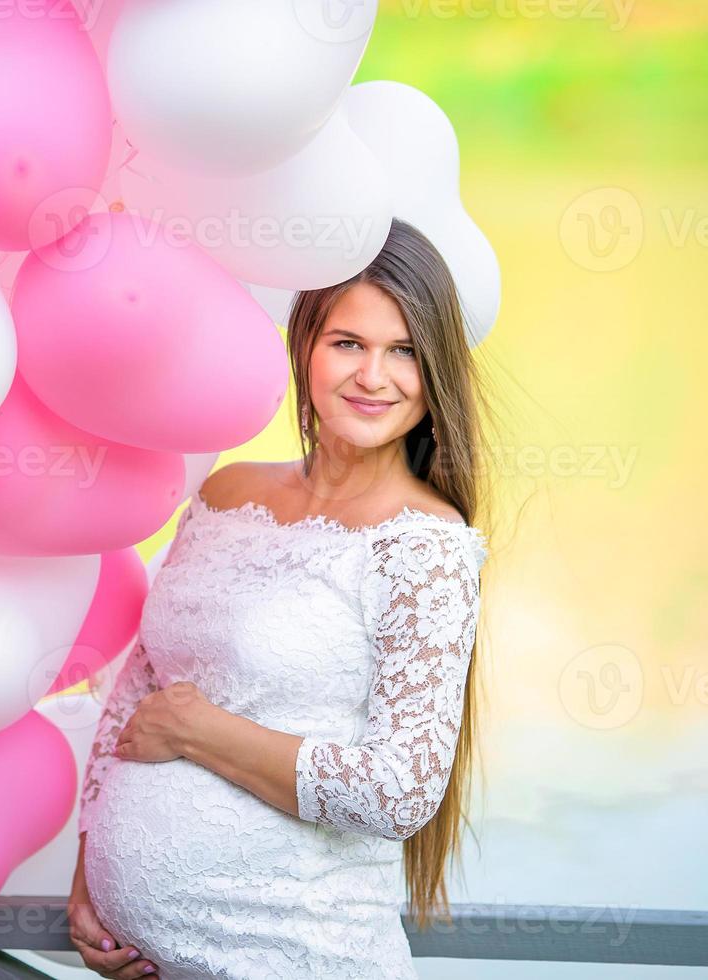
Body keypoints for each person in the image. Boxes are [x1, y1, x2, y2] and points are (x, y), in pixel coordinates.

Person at [65, 221, 494, 979]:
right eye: (348, 343)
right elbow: (140, 686)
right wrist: (89, 881)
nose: (374, 376)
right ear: (304, 347)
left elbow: (400, 791)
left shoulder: (425, 545)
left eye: (404, 351)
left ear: (436, 375)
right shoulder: (229, 491)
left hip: (297, 956)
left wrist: (203, 733)